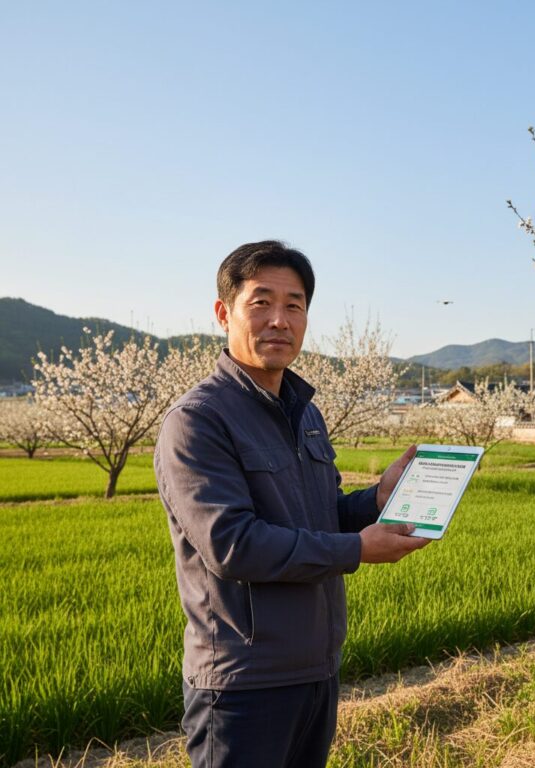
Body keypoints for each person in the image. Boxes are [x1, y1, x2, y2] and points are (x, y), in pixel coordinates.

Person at [154, 240, 429, 768]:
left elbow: (318, 518)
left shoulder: (305, 415)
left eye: (294, 305)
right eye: (261, 302)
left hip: (316, 670)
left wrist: (376, 499)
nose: (279, 319)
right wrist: (356, 549)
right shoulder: (198, 421)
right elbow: (233, 545)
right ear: (223, 313)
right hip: (244, 684)